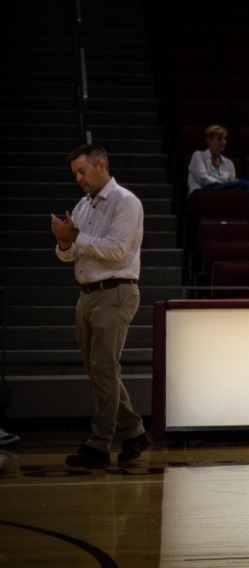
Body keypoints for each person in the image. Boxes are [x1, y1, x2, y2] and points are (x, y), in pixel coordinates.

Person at [52, 143, 148, 469]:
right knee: (99, 372)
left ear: (101, 166)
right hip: (88, 294)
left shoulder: (125, 202)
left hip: (115, 292)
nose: (78, 178)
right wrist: (65, 242)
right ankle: (133, 431)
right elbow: (70, 255)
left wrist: (75, 236)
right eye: (75, 174)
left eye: (82, 171)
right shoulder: (83, 205)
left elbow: (116, 251)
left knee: (105, 369)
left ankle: (99, 443)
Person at [187, 125, 249, 200]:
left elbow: (231, 182)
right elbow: (203, 179)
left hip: (223, 193)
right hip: (202, 193)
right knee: (245, 184)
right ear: (209, 140)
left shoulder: (229, 163)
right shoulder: (198, 156)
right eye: (219, 139)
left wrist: (227, 184)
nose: (223, 142)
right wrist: (224, 183)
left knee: (244, 188)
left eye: (224, 139)